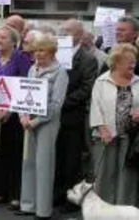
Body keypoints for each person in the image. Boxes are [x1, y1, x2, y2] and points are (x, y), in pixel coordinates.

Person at [17, 33, 69, 220]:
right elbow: (23, 95)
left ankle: (43, 210)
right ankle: (28, 204)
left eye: (43, 50)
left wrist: (36, 121)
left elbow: (56, 104)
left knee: (44, 165)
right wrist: (23, 116)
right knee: (28, 162)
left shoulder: (60, 72)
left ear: (52, 52)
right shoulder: (32, 68)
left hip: (47, 123)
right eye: (36, 50)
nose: (38, 54)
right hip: (28, 121)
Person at [0, 26, 32, 209]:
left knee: (15, 154)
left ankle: (16, 192)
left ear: (14, 41)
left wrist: (9, 111)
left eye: (3, 38)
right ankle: (0, 189)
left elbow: (24, 85)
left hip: (13, 116)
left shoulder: (21, 58)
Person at [54, 18, 98, 213]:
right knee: (57, 158)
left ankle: (72, 200)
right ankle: (57, 194)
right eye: (62, 31)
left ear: (79, 35)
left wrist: (61, 102)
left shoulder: (88, 59)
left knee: (72, 160)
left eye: (68, 31)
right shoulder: (55, 55)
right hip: (53, 116)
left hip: (72, 116)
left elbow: (87, 88)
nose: (64, 34)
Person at [90, 43, 139, 205]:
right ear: (116, 63)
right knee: (104, 175)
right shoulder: (101, 81)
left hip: (131, 138)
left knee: (128, 177)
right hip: (105, 136)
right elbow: (95, 107)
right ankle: (103, 211)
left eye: (134, 60)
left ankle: (125, 211)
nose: (133, 64)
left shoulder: (138, 81)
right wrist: (102, 129)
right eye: (128, 61)